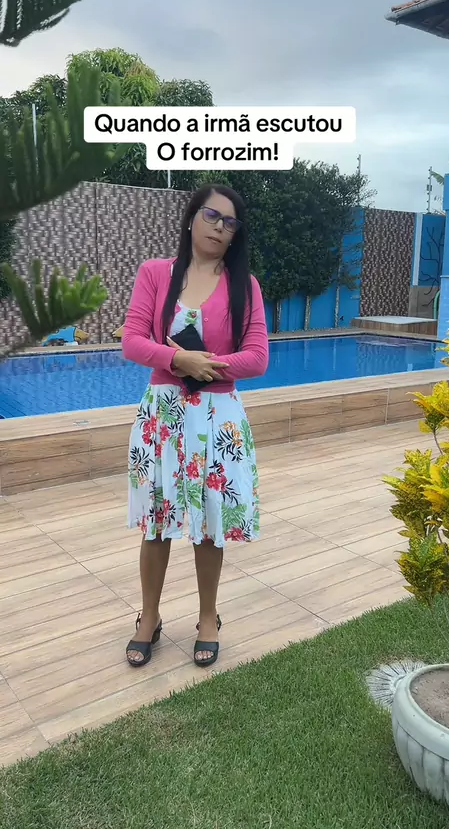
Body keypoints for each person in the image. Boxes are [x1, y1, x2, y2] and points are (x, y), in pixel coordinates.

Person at [122, 183, 269, 669]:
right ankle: (149, 617)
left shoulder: (245, 286)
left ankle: (209, 618)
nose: (220, 228)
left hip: (217, 416)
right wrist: (177, 359)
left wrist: (205, 366)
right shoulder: (155, 273)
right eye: (212, 216)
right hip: (163, 417)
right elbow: (132, 340)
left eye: (230, 222)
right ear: (191, 218)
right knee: (156, 522)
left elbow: (258, 357)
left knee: (209, 524)